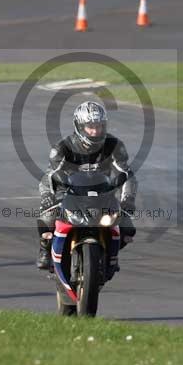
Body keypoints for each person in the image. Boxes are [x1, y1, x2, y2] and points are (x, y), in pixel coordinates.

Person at [37, 101, 137, 270]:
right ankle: (45, 250)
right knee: (47, 219)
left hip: (103, 195)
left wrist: (128, 200)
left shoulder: (114, 145)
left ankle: (109, 255)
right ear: (79, 126)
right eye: (90, 126)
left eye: (99, 126)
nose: (95, 131)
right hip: (69, 195)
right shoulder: (63, 147)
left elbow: (127, 175)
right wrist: (48, 196)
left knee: (127, 228)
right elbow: (50, 175)